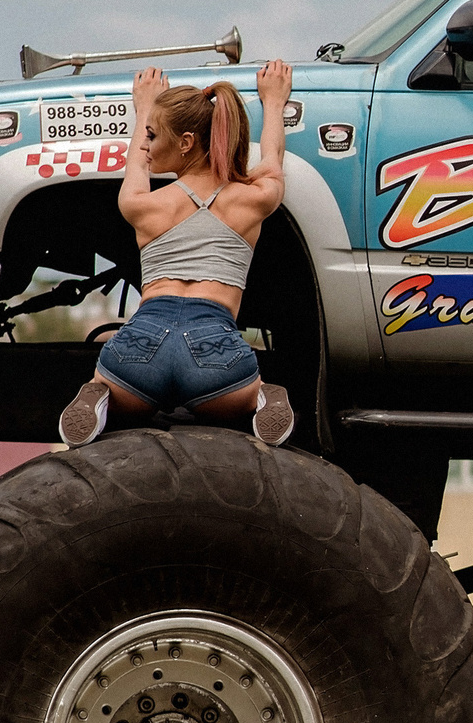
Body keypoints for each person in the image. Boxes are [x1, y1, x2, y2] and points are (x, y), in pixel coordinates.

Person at [58, 60, 295, 447]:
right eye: (148, 135)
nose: (148, 145)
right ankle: (261, 398)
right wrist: (272, 102)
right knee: (247, 391)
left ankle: (99, 392)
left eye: (154, 135)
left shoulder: (140, 205)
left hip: (140, 344)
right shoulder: (254, 199)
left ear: (185, 143)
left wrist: (144, 107)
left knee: (109, 380)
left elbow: (135, 161)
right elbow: (273, 156)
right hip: (213, 347)